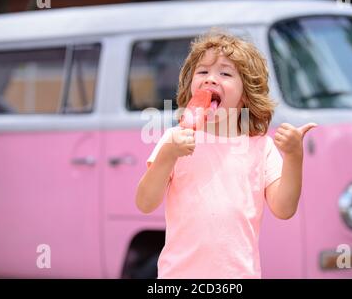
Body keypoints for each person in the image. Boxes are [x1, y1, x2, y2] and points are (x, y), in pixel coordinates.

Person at [136, 30, 317, 278]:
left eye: (225, 73)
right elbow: (145, 203)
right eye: (203, 72)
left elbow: (284, 209)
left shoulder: (261, 147)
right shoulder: (174, 141)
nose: (211, 79)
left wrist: (294, 157)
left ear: (245, 95)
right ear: (191, 86)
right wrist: (168, 155)